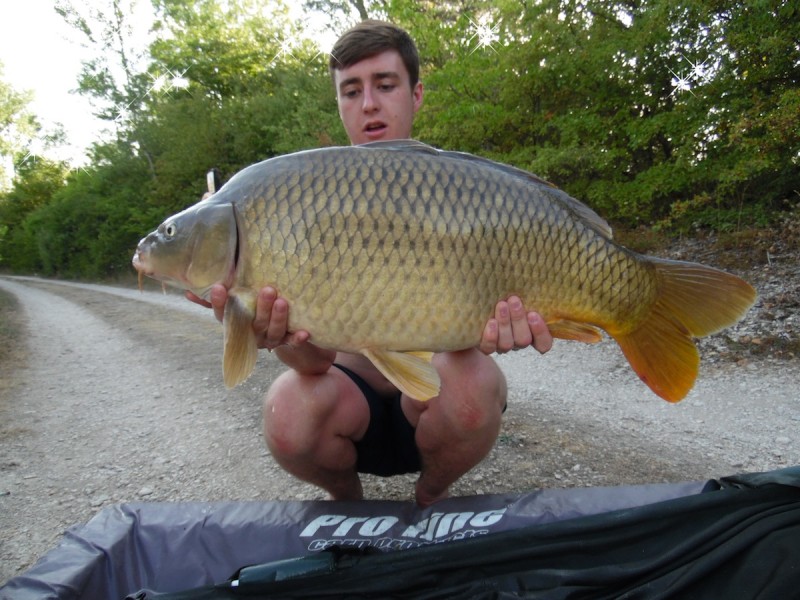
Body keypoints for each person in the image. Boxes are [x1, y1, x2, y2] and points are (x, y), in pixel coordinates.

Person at [190, 20, 553, 507]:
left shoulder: (459, 189)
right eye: (351, 91)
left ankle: (430, 495)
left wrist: (519, 321)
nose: (368, 104)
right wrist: (271, 333)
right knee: (287, 410)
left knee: (475, 384)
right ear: (339, 102)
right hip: (348, 404)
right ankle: (347, 503)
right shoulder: (304, 193)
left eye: (385, 85)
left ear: (415, 93)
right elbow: (313, 362)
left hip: (434, 406)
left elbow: (494, 326)